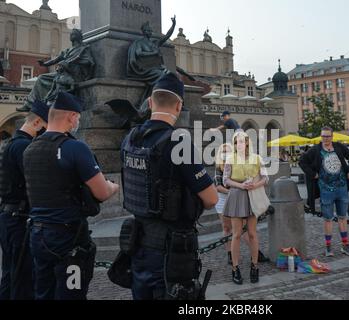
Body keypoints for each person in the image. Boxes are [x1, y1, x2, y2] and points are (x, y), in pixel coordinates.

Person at [121, 73, 218, 300]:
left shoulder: (130, 139)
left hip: (138, 244)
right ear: (179, 105)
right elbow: (211, 198)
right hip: (170, 251)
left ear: (150, 103)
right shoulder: (178, 142)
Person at [23, 92, 119, 300]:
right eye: (78, 117)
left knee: (43, 293)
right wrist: (113, 186)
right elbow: (101, 192)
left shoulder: (30, 148)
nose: (78, 121)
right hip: (68, 239)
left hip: (38, 234)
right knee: (71, 294)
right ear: (71, 116)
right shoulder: (75, 148)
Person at [0, 100, 50, 300]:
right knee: (22, 278)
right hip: (18, 219)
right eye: (45, 127)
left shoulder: (10, 143)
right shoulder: (23, 146)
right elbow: (34, 184)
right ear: (37, 122)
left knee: (11, 274)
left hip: (8, 216)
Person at [299, 127, 349, 257]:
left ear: (332, 136)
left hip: (341, 188)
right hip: (325, 190)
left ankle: (345, 245)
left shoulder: (339, 147)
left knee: (342, 217)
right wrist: (312, 173)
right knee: (328, 219)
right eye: (323, 136)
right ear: (321, 136)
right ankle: (328, 247)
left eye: (328, 136)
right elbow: (302, 161)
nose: (325, 139)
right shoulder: (315, 150)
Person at [223, 131, 269, 285]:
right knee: (236, 234)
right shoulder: (230, 158)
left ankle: (254, 266)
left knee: (252, 233)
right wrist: (241, 185)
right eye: (236, 142)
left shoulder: (257, 158)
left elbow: (266, 177)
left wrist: (254, 185)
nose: (238, 144)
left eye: (241, 141)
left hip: (252, 195)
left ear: (247, 142)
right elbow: (226, 180)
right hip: (236, 195)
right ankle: (235, 269)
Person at [18, 29, 95, 112]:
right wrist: (44, 64)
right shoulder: (67, 51)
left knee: (55, 82)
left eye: (74, 34)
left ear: (79, 36)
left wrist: (73, 63)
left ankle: (47, 102)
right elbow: (55, 60)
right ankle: (30, 104)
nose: (71, 35)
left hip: (74, 74)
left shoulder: (83, 49)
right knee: (41, 78)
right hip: (63, 72)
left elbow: (89, 61)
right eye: (71, 34)